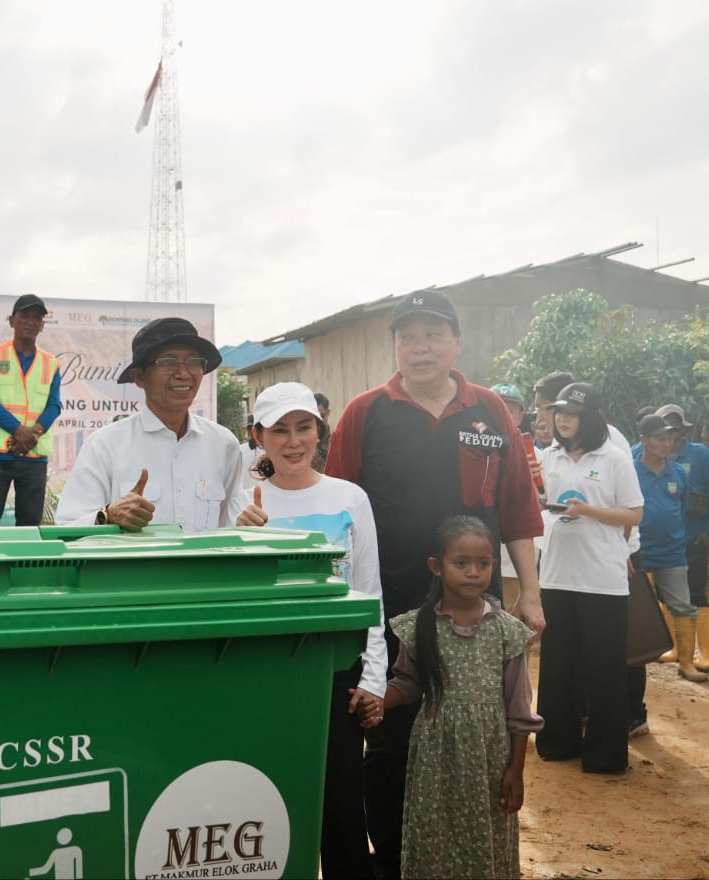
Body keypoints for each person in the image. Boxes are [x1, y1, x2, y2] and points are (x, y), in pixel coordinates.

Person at [325, 290, 543, 878]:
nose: (419, 348)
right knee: (390, 735)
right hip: (389, 607)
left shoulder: (489, 410)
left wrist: (531, 592)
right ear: (396, 347)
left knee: (474, 732)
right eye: (407, 337)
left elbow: (518, 507)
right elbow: (339, 508)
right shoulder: (366, 412)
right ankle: (396, 859)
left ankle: (464, 859)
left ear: (456, 343)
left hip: (475, 608)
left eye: (432, 335)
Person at [232, 382, 385, 878]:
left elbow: (369, 593)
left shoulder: (350, 498)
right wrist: (239, 539)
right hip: (267, 675)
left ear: (320, 430)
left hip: (335, 675)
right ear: (258, 436)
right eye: (280, 430)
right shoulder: (242, 505)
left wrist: (373, 679)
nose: (294, 441)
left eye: (304, 427)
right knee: (270, 806)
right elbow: (234, 601)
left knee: (342, 807)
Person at [376, 515, 541, 880]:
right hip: (435, 757)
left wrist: (516, 769)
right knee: (433, 831)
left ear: (494, 566)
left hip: (490, 756)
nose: (473, 573)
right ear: (437, 566)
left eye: (483, 564)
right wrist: (377, 700)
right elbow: (408, 684)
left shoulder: (507, 632)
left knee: (489, 832)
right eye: (461, 563)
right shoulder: (419, 625)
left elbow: (519, 709)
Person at [535, 383, 643, 774]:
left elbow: (633, 513)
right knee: (558, 662)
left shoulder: (614, 458)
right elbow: (541, 504)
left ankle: (605, 754)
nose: (562, 419)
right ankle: (557, 742)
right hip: (556, 574)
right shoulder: (549, 456)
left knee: (604, 668)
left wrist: (588, 511)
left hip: (601, 578)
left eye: (572, 413)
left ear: (592, 418)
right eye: (559, 412)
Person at [56, 317, 243, 532]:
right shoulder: (104, 446)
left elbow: (230, 527)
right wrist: (107, 516)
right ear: (139, 377)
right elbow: (68, 528)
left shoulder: (223, 444)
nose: (183, 374)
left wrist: (247, 523)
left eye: (193, 361)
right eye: (168, 362)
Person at [0, 294, 62, 526]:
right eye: (24, 316)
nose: (30, 322)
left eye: (36, 318)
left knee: (30, 525)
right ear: (12, 320)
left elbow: (54, 405)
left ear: (42, 325)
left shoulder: (51, 364)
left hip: (34, 454)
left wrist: (33, 434)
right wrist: (17, 429)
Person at [633, 415, 708, 683]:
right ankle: (633, 659)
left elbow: (683, 507)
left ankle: (686, 662)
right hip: (637, 551)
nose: (667, 443)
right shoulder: (629, 471)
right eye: (660, 438)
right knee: (632, 606)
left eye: (670, 438)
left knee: (683, 606)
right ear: (643, 440)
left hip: (672, 552)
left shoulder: (678, 473)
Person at [651, 403, 709, 672]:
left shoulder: (700, 454)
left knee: (695, 593)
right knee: (665, 593)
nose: (671, 434)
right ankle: (676, 648)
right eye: (665, 428)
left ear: (683, 429)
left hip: (693, 537)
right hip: (662, 542)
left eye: (675, 427)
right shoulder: (645, 454)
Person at [311, 391, 331, 471]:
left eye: (321, 416)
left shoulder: (336, 441)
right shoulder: (303, 442)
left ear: (328, 413)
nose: (318, 422)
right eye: (315, 418)